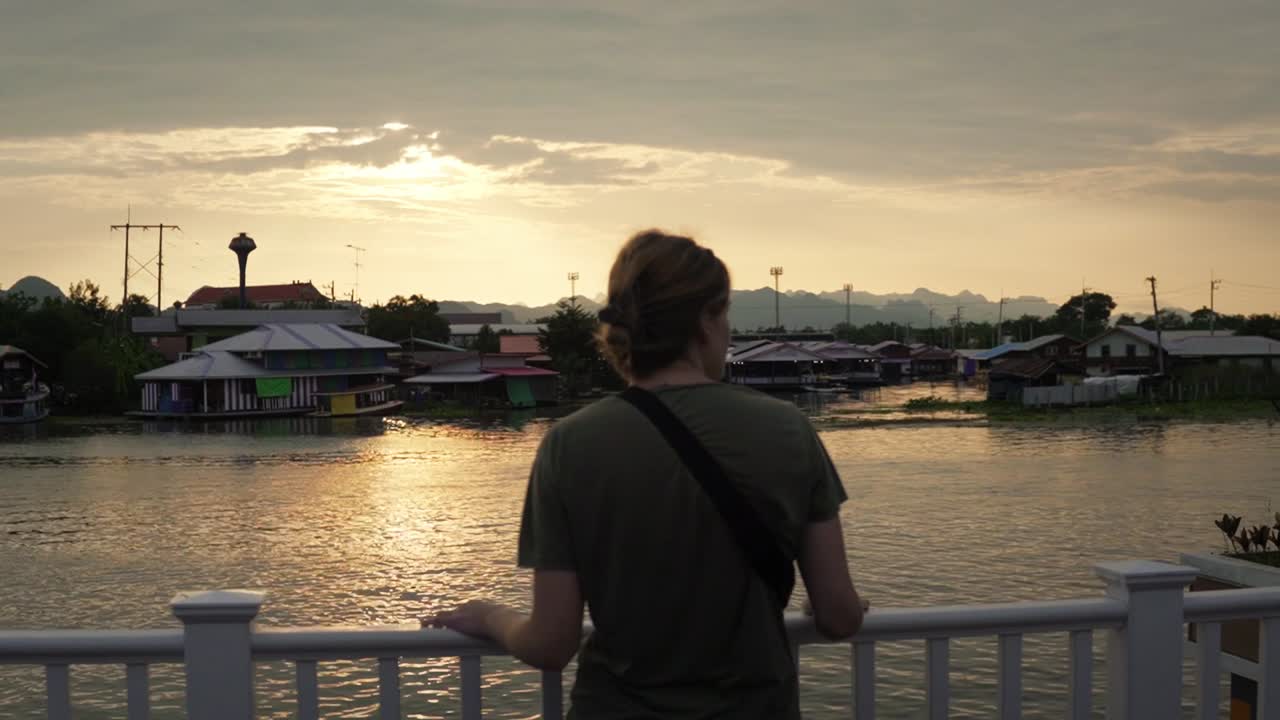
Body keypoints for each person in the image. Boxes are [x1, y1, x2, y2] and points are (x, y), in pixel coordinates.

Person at [428, 230, 865, 718]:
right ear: (705, 322)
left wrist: (491, 616)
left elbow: (551, 643)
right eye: (725, 316)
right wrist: (824, 607)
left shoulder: (569, 444)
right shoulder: (787, 429)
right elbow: (840, 616)